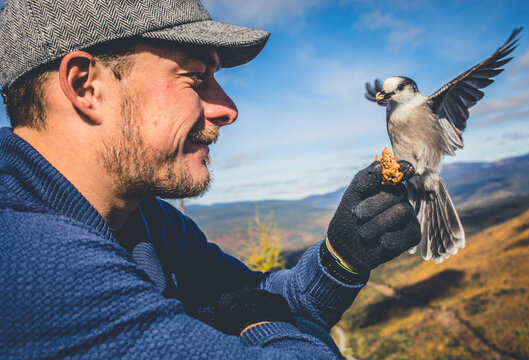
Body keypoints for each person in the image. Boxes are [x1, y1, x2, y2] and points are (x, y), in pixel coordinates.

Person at [0, 0, 421, 358]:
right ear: (86, 86)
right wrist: (261, 322)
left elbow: (263, 299)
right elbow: (262, 316)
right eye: (196, 78)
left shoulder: (150, 223)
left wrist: (342, 255)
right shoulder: (29, 264)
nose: (228, 109)